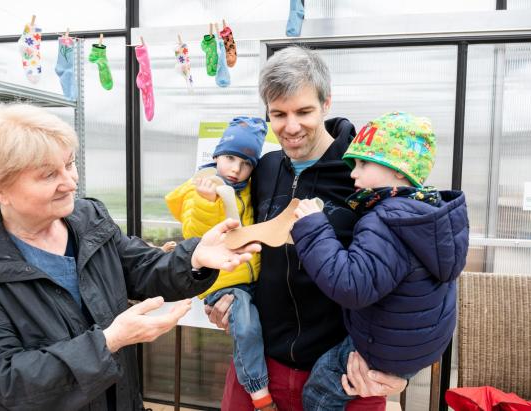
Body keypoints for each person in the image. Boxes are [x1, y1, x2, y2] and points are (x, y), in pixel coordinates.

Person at [0, 103, 260, 411]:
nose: (70, 181)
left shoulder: (87, 219)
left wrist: (195, 257)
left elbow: (142, 269)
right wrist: (107, 342)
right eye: (48, 175)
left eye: (70, 163)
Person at [206, 46, 408, 411]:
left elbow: (413, 271)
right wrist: (224, 296)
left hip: (342, 374)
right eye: (278, 114)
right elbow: (236, 239)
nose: (291, 126)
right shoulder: (264, 169)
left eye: (304, 111)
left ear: (326, 103)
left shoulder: (363, 176)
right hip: (259, 366)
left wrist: (403, 364)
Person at [292, 111, 469, 410]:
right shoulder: (428, 215)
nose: (352, 174)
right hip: (417, 348)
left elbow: (350, 285)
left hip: (386, 350)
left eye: (362, 163)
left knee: (320, 388)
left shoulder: (385, 220)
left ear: (399, 171)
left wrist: (313, 227)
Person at [165, 117, 275, 410]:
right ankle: (259, 393)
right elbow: (195, 233)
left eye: (246, 163)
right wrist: (205, 201)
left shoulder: (248, 189)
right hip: (224, 281)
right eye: (229, 158)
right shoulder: (200, 188)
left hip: (250, 278)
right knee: (248, 328)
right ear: (216, 157)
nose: (236, 170)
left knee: (252, 327)